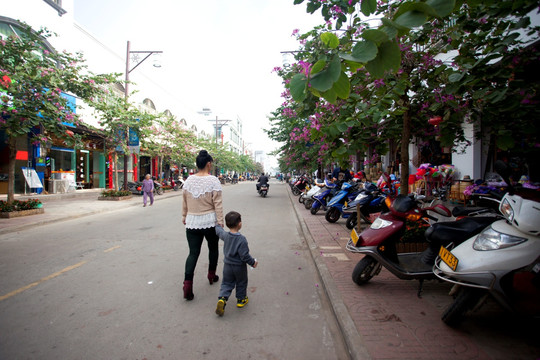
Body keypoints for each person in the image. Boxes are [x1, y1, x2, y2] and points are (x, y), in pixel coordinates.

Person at [182, 150, 224, 301]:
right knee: (213, 249)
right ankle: (212, 275)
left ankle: (187, 286)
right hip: (209, 222)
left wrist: (184, 216)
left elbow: (184, 201)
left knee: (193, 253)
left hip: (192, 221)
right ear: (208, 164)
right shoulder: (213, 181)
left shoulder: (188, 181)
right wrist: (220, 221)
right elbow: (217, 204)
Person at [215, 211, 258, 316]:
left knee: (226, 283)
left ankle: (222, 299)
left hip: (227, 266)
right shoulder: (242, 240)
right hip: (239, 267)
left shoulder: (225, 235)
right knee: (241, 282)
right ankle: (241, 300)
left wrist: (217, 225)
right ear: (239, 224)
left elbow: (219, 231)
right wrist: (253, 262)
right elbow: (244, 256)